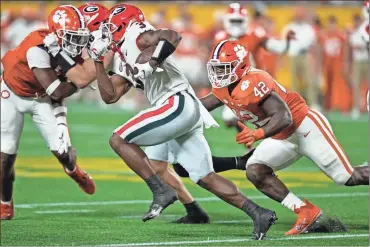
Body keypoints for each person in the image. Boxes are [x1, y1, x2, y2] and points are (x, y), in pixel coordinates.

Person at [89, 3, 277, 239]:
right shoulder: (125, 52)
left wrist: (151, 64)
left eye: (112, 27)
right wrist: (97, 60)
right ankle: (258, 212)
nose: (109, 32)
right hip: (183, 109)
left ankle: (161, 192)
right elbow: (110, 96)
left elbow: (172, 35)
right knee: (205, 177)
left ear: (123, 23)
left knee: (119, 139)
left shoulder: (137, 34)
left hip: (175, 103)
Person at [198, 40, 369, 235]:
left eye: (225, 68)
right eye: (217, 68)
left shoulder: (254, 81)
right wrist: (169, 109)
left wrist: (257, 134)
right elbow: (201, 106)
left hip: (304, 127)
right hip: (282, 137)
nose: (219, 74)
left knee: (346, 176)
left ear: (242, 66)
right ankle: (306, 211)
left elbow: (284, 117)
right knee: (255, 170)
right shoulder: (223, 88)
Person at [0, 5, 98, 220]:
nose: (78, 43)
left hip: (41, 97)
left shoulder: (64, 48)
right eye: (73, 37)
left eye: (80, 37)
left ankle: (73, 170)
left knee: (63, 152)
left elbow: (62, 87)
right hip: (12, 95)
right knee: (5, 156)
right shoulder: (37, 49)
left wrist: (62, 122)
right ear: (57, 34)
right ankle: (5, 203)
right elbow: (58, 90)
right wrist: (78, 82)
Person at [214, 3, 295, 133]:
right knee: (230, 119)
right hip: (233, 83)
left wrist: (286, 42)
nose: (236, 24)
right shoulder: (221, 37)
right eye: (233, 20)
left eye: (239, 21)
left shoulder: (255, 34)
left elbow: (277, 47)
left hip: (254, 81)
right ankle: (253, 140)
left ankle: (271, 136)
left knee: (263, 115)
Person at [282, 7, 318, 110]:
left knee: (309, 80)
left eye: (301, 16)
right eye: (298, 16)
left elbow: (312, 44)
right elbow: (284, 43)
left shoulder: (308, 28)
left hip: (305, 55)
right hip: (292, 56)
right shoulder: (288, 27)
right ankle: (295, 105)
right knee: (294, 82)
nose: (299, 18)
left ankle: (313, 103)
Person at [319, 16, 351, 113]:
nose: (331, 26)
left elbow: (345, 48)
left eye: (332, 24)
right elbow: (321, 51)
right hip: (328, 63)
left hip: (337, 63)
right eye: (329, 24)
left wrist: (345, 62)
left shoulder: (340, 35)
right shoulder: (324, 35)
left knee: (338, 85)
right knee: (327, 85)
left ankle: (340, 105)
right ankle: (327, 105)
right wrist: (321, 64)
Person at [349, 1, 369, 119]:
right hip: (358, 61)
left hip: (367, 60)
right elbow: (355, 45)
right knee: (356, 85)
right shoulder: (354, 32)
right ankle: (356, 108)